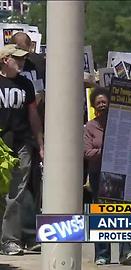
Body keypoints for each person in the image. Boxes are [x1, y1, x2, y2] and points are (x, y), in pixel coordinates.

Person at [83, 87, 131, 265]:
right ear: (94, 107)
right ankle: (103, 254)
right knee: (101, 214)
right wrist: (107, 149)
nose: (102, 105)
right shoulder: (90, 126)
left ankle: (126, 250)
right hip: (98, 174)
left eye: (104, 102)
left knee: (122, 212)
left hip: (118, 171)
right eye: (98, 103)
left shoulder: (120, 123)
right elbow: (87, 152)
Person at [0, 44, 43, 255]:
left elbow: (33, 116)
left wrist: (40, 144)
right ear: (5, 59)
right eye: (17, 59)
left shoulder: (26, 84)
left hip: (21, 144)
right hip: (1, 144)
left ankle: (10, 240)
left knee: (15, 194)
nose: (22, 62)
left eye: (24, 59)